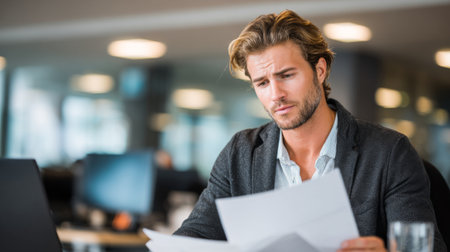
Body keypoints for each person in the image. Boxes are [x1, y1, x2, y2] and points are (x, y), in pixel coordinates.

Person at [174, 10, 446, 251]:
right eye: (262, 83)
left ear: (320, 70)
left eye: (286, 75)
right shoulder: (240, 153)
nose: (276, 94)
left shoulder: (388, 153)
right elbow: (195, 235)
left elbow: (423, 247)